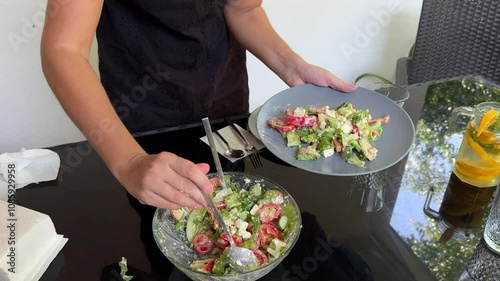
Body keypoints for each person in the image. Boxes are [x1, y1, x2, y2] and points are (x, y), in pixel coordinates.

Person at [40, 0, 356, 211]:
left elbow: (243, 9)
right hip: (144, 120)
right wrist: (129, 162)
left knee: (235, 214)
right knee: (166, 230)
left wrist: (293, 67)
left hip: (225, 102)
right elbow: (63, 49)